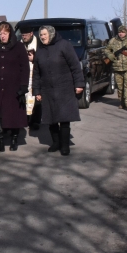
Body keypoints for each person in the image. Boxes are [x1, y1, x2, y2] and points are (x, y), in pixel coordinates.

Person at [33, 25, 85, 155]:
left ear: (51, 34)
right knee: (51, 119)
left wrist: (79, 84)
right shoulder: (40, 51)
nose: (42, 37)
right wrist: (37, 91)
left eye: (44, 34)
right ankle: (55, 142)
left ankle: (65, 145)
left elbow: (75, 66)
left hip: (64, 89)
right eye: (41, 35)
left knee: (64, 118)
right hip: (47, 90)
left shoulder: (64, 46)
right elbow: (36, 73)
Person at [0, 22, 31, 152]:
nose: (2, 36)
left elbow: (25, 67)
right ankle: (0, 139)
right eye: (0, 33)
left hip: (13, 87)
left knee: (14, 115)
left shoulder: (18, 47)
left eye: (5, 33)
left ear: (10, 34)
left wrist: (24, 85)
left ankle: (14, 138)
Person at [104, 26, 127, 111]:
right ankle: (122, 102)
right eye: (119, 32)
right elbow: (107, 50)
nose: (121, 33)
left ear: (126, 32)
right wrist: (109, 55)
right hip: (117, 67)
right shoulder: (113, 40)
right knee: (120, 87)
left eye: (123, 32)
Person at [20, 27, 41, 130]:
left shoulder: (38, 43)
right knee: (25, 98)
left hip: (36, 73)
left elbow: (43, 57)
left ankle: (36, 120)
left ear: (31, 33)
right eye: (22, 35)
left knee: (36, 98)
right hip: (24, 74)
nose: (24, 37)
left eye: (25, 35)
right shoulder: (20, 44)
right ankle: (26, 119)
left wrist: (34, 58)